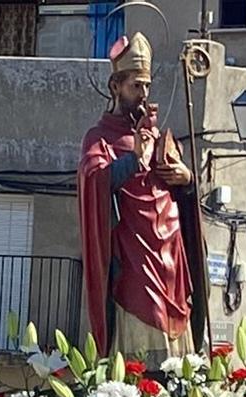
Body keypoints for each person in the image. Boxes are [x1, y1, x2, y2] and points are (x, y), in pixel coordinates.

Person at [78, 31, 195, 355]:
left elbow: (178, 185)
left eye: (146, 86)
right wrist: (133, 159)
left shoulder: (158, 137)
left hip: (170, 252)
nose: (143, 94)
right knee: (140, 338)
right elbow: (95, 181)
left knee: (176, 351)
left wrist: (186, 178)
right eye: (135, 86)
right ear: (115, 87)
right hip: (132, 255)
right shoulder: (99, 138)